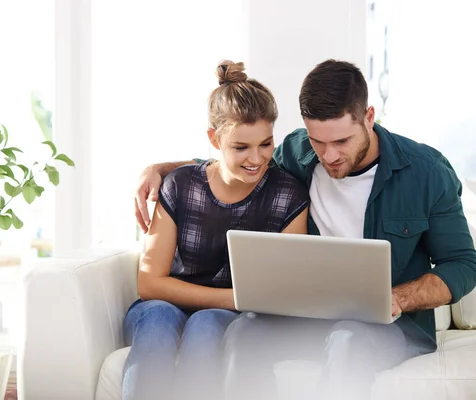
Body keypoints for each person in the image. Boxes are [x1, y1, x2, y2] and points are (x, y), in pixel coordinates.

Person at [133, 59, 476, 399]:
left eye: (342, 141)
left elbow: (463, 264)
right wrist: (161, 169)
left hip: (385, 326)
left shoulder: (426, 173)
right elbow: (238, 159)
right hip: (305, 316)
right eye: (318, 141)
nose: (329, 156)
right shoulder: (297, 152)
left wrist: (397, 297)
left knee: (347, 343)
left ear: (369, 118)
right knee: (243, 333)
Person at [122, 60, 309, 400]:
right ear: (214, 138)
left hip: (229, 314)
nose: (257, 158)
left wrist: (230, 304)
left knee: (207, 325)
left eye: (266, 144)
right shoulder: (180, 186)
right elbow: (150, 283)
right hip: (166, 303)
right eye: (241, 147)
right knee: (158, 325)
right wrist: (231, 298)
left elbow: (282, 290)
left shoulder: (288, 195)